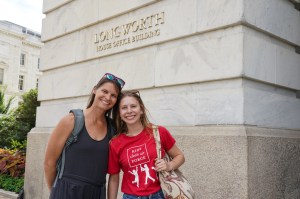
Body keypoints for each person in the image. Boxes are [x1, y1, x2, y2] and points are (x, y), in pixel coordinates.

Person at [44, 73, 125, 199]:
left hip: (96, 194)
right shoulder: (71, 121)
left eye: (113, 95)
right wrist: (57, 192)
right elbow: (49, 163)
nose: (108, 97)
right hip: (66, 192)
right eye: (104, 91)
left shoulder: (113, 129)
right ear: (94, 90)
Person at [107, 91, 185, 199]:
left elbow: (180, 156)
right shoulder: (115, 143)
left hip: (160, 194)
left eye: (133, 106)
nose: (129, 111)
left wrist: (169, 165)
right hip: (131, 196)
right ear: (119, 114)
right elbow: (114, 178)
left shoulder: (158, 132)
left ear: (141, 109)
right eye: (124, 108)